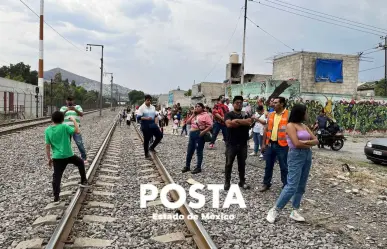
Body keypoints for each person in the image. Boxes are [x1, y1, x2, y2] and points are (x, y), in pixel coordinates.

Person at [266, 104, 318, 223]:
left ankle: (294, 210)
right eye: (306, 112)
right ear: (300, 113)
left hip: (307, 155)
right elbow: (296, 143)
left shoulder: (304, 126)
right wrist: (309, 142)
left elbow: (316, 140)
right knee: (291, 185)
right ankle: (275, 209)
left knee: (301, 185)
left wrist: (305, 142)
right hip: (296, 155)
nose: (307, 114)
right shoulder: (290, 125)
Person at [45, 111, 89, 203]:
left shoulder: (48, 130)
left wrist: (49, 158)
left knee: (57, 177)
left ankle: (56, 196)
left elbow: (47, 146)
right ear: (62, 120)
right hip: (69, 155)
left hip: (57, 158)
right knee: (80, 162)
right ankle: (83, 181)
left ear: (52, 119)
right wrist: (74, 120)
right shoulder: (64, 127)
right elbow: (77, 131)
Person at [224, 96, 253, 190]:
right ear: (233, 104)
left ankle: (242, 181)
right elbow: (228, 124)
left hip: (243, 143)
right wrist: (242, 122)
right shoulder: (228, 114)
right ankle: (227, 182)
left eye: (241, 103)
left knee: (242, 164)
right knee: (228, 164)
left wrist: (236, 121)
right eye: (237, 102)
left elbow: (249, 122)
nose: (239, 104)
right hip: (231, 143)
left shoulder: (245, 114)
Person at [260, 97, 289, 192]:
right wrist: (263, 144)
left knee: (283, 166)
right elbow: (266, 129)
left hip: (283, 145)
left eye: (276, 103)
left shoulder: (288, 115)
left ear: (282, 104)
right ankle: (266, 183)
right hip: (270, 144)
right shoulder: (271, 114)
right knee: (268, 165)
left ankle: (286, 185)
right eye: (273, 102)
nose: (273, 104)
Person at [182, 103, 213, 174]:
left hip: (199, 134)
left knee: (199, 151)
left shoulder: (206, 115)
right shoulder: (194, 115)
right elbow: (187, 122)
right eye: (195, 106)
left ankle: (198, 167)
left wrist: (204, 132)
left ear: (202, 108)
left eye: (198, 106)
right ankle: (187, 166)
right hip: (192, 134)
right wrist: (193, 114)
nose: (196, 108)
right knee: (190, 150)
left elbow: (210, 125)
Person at [60, 97, 88, 165]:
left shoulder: (78, 107)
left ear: (73, 101)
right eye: (68, 100)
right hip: (66, 130)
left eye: (71, 100)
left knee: (79, 144)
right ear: (66, 101)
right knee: (66, 144)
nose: (70, 102)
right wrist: (66, 110)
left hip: (75, 129)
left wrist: (75, 109)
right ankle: (65, 158)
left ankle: (84, 158)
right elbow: (60, 116)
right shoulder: (63, 108)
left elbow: (81, 114)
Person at [138, 95, 163, 159]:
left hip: (152, 124)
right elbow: (138, 118)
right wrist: (146, 118)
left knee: (159, 136)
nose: (149, 101)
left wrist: (156, 120)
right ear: (145, 100)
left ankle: (151, 147)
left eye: (150, 100)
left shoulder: (153, 107)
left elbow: (155, 115)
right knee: (147, 140)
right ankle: (146, 154)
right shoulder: (141, 108)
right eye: (148, 100)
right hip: (145, 125)